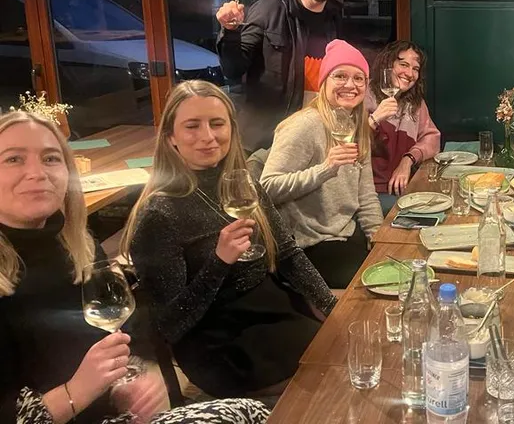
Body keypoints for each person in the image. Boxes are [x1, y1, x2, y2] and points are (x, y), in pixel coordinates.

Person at [0, 111, 270, 423]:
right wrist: (76, 392)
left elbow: (115, 331)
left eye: (50, 158)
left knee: (253, 412)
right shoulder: (160, 212)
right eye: (13, 159)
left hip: (111, 412)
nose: (37, 172)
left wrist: (132, 374)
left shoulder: (77, 246)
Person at [123, 81, 336, 399]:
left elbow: (289, 254)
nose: (207, 137)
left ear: (231, 129)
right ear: (171, 137)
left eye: (217, 123)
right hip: (219, 342)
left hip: (271, 311)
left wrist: (332, 307)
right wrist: (219, 262)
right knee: (326, 384)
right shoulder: (160, 213)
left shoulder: (244, 181)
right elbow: (170, 325)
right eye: (192, 126)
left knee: (346, 352)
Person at [261, 40, 383, 289]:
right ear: (324, 82)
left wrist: (377, 236)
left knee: (397, 267)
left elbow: (366, 195)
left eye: (358, 78)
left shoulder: (357, 126)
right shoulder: (305, 125)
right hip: (307, 244)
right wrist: (324, 169)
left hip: (345, 232)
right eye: (340, 76)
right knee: (370, 290)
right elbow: (267, 188)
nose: (350, 85)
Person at [216, 0, 343, 151]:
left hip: (313, 137)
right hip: (265, 141)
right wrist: (230, 32)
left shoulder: (337, 16)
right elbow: (233, 69)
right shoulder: (270, 10)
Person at [365, 41, 441, 214]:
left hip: (401, 189)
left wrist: (407, 160)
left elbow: (432, 138)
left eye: (415, 68)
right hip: (370, 193)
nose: (409, 73)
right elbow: (352, 146)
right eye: (404, 65)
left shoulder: (414, 103)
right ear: (388, 64)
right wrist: (375, 119)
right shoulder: (365, 95)